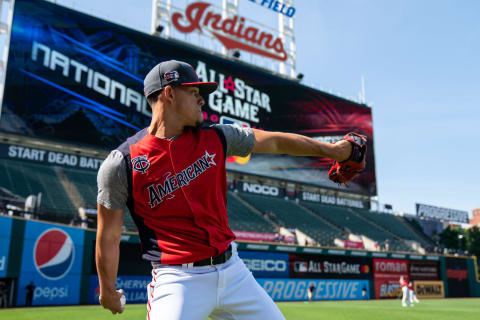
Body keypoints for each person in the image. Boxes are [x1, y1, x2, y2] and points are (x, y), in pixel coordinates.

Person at [96, 60, 358, 319]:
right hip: (177, 279)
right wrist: (107, 291)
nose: (202, 101)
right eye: (195, 93)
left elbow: (276, 142)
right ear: (170, 93)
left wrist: (332, 150)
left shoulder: (217, 136)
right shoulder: (122, 163)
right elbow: (108, 236)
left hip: (234, 272)